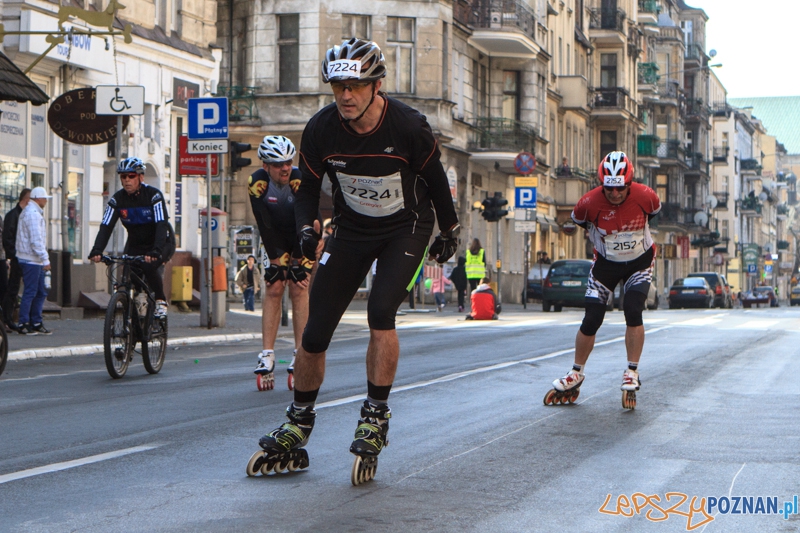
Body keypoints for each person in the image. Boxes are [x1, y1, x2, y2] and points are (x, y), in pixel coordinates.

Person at [256, 38, 459, 477]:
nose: (346, 96)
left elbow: (436, 179)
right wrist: (307, 228)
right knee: (315, 330)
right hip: (352, 229)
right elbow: (308, 189)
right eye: (338, 87)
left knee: (381, 311)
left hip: (405, 227)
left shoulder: (408, 126)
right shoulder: (320, 129)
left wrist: (451, 229)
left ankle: (375, 415)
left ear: (376, 85)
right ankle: (299, 420)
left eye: (355, 86)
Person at [546, 151, 661, 408]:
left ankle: (632, 371)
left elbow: (652, 215)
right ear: (602, 184)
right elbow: (578, 222)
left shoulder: (647, 197)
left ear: (629, 184)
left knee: (633, 309)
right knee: (592, 318)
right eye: (609, 188)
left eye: (620, 188)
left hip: (639, 263)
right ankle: (576, 372)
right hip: (605, 265)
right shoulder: (588, 203)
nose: (615, 194)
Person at [247, 134, 317, 390]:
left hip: (302, 235)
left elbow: (309, 219)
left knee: (299, 287)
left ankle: (300, 352)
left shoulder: (299, 179)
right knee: (274, 287)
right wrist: (276, 261)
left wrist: (299, 259)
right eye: (278, 164)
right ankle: (267, 353)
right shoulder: (257, 182)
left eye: (288, 162)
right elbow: (263, 221)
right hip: (274, 237)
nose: (285, 168)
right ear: (266, 166)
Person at [89, 157, 174, 319]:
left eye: (131, 176)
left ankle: (160, 300)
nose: (127, 180)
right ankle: (136, 311)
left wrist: (156, 250)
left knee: (149, 267)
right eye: (123, 177)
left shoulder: (153, 196)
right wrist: (97, 250)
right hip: (136, 243)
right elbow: (106, 226)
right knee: (130, 271)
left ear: (141, 177)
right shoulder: (117, 199)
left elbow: (161, 224)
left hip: (160, 242)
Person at [15, 187, 52, 335]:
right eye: (44, 198)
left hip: (33, 259)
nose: (46, 201)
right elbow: (36, 240)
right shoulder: (32, 214)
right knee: (31, 291)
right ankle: (24, 322)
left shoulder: (32, 212)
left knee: (40, 291)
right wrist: (45, 259)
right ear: (38, 199)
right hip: (32, 259)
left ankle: (35, 321)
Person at [3, 188, 31, 330]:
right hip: (16, 257)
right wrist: (13, 255)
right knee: (11, 289)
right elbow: (7, 238)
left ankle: (12, 318)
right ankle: (7, 319)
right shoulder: (13, 216)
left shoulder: (24, 215)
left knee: (17, 289)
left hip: (23, 256)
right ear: (26, 200)